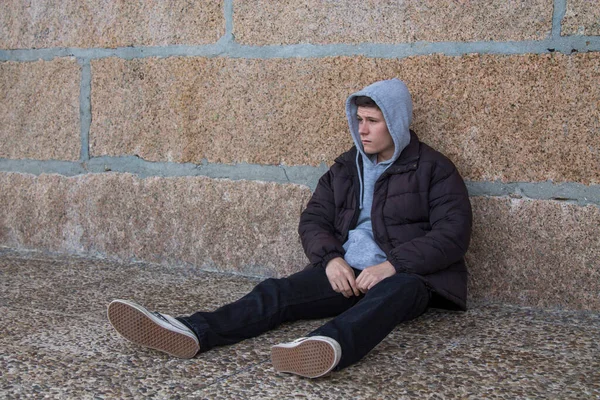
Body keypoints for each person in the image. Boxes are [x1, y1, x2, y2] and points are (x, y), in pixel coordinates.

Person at [107, 78, 472, 379]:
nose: (362, 129)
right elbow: (314, 218)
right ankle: (193, 330)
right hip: (346, 270)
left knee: (390, 297)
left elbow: (453, 233)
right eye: (359, 119)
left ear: (395, 121)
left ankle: (325, 346)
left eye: (372, 121)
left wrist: (391, 265)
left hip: (408, 275)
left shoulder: (433, 168)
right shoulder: (347, 168)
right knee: (277, 293)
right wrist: (330, 259)